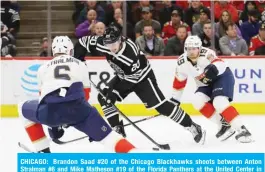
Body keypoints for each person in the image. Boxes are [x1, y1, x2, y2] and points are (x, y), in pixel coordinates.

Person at [74, 24, 206, 144]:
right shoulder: (102, 42)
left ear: (120, 40)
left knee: (162, 106)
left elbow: (133, 78)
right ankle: (118, 131)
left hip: (143, 77)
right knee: (103, 98)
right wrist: (79, 61)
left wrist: (113, 93)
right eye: (108, 45)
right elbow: (82, 42)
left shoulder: (130, 52)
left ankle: (192, 126)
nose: (111, 48)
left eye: (114, 44)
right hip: (124, 75)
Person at [17, 36, 136, 153]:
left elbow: (43, 99)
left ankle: (43, 153)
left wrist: (54, 126)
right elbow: (86, 96)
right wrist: (74, 118)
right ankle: (138, 156)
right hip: (79, 111)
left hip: (50, 112)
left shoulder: (42, 69)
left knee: (22, 107)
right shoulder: (80, 64)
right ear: (70, 50)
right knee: (110, 138)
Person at [170, 35, 253, 143]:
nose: (191, 52)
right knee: (196, 101)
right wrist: (175, 99)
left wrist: (214, 67)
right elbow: (179, 82)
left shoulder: (207, 53)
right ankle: (224, 125)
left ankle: (242, 129)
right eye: (189, 49)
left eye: (194, 48)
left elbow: (219, 63)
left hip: (222, 77)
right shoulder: (181, 62)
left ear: (199, 48)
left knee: (219, 101)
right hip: (204, 84)